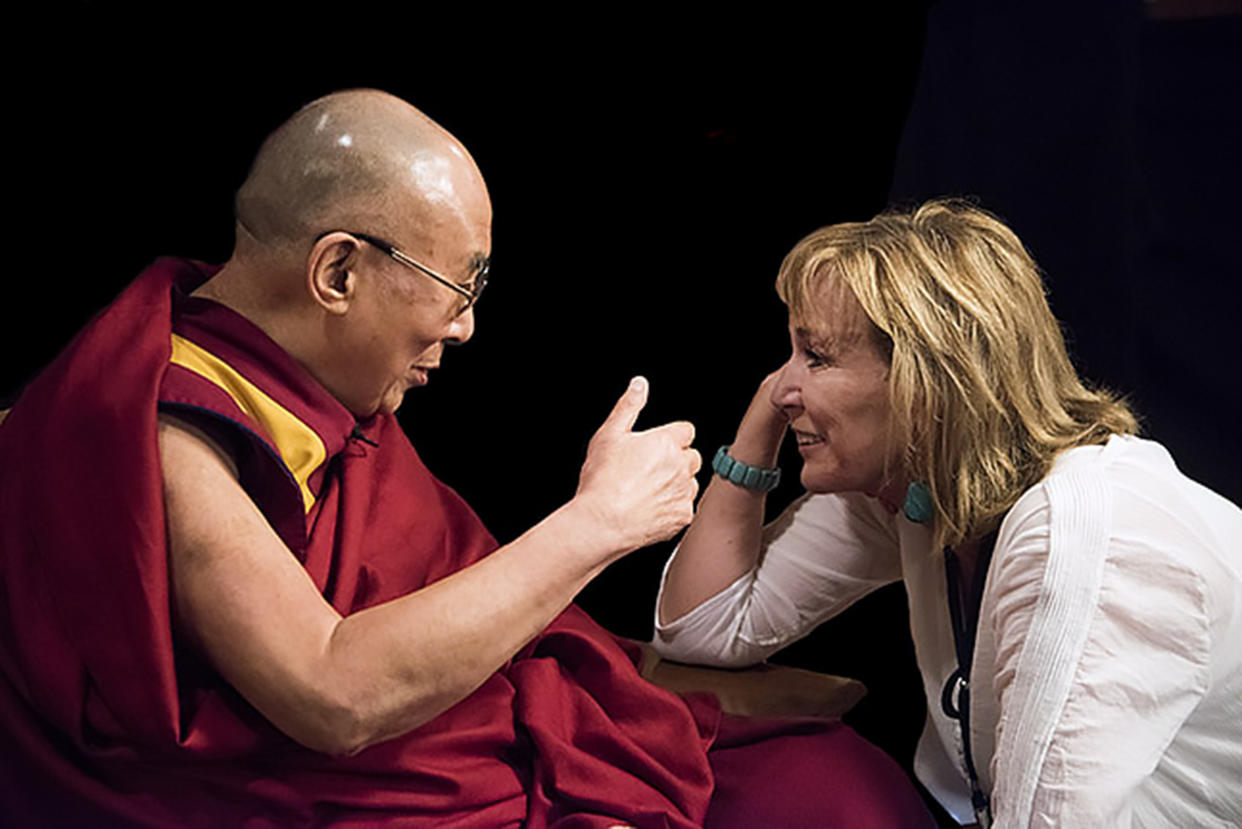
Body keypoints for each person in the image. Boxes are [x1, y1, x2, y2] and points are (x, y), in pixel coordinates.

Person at [0, 90, 933, 827]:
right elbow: (333, 692)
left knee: (833, 782)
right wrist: (593, 525)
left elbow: (446, 604)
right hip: (326, 785)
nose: (466, 326)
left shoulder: (313, 393)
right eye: (458, 286)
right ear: (336, 272)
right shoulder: (169, 429)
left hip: (454, 733)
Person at [653, 199, 1242, 827]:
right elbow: (703, 631)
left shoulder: (1084, 539)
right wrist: (754, 438)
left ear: (925, 379)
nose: (781, 386)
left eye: (816, 356)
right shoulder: (912, 491)